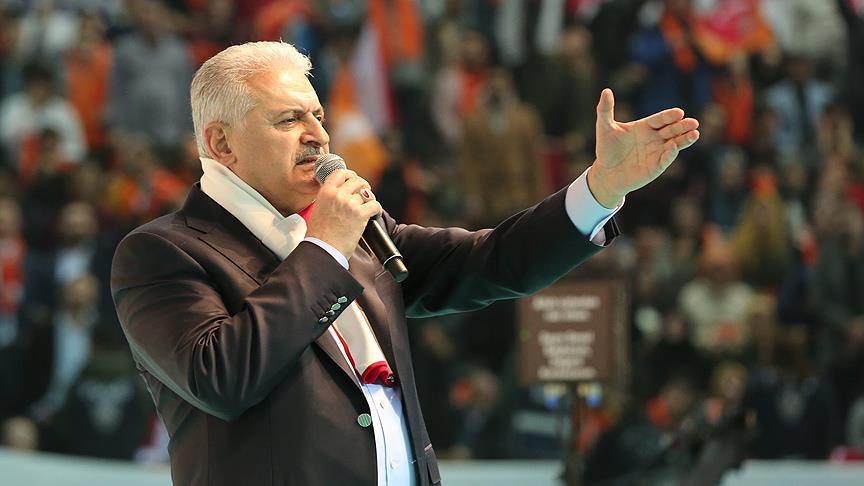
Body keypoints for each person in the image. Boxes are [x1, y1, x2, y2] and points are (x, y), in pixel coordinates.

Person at [110, 41, 699, 486]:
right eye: (289, 119)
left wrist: (600, 188)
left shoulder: (360, 233)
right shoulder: (162, 252)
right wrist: (326, 248)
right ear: (221, 144)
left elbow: (490, 261)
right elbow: (221, 377)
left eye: (318, 115)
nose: (319, 135)